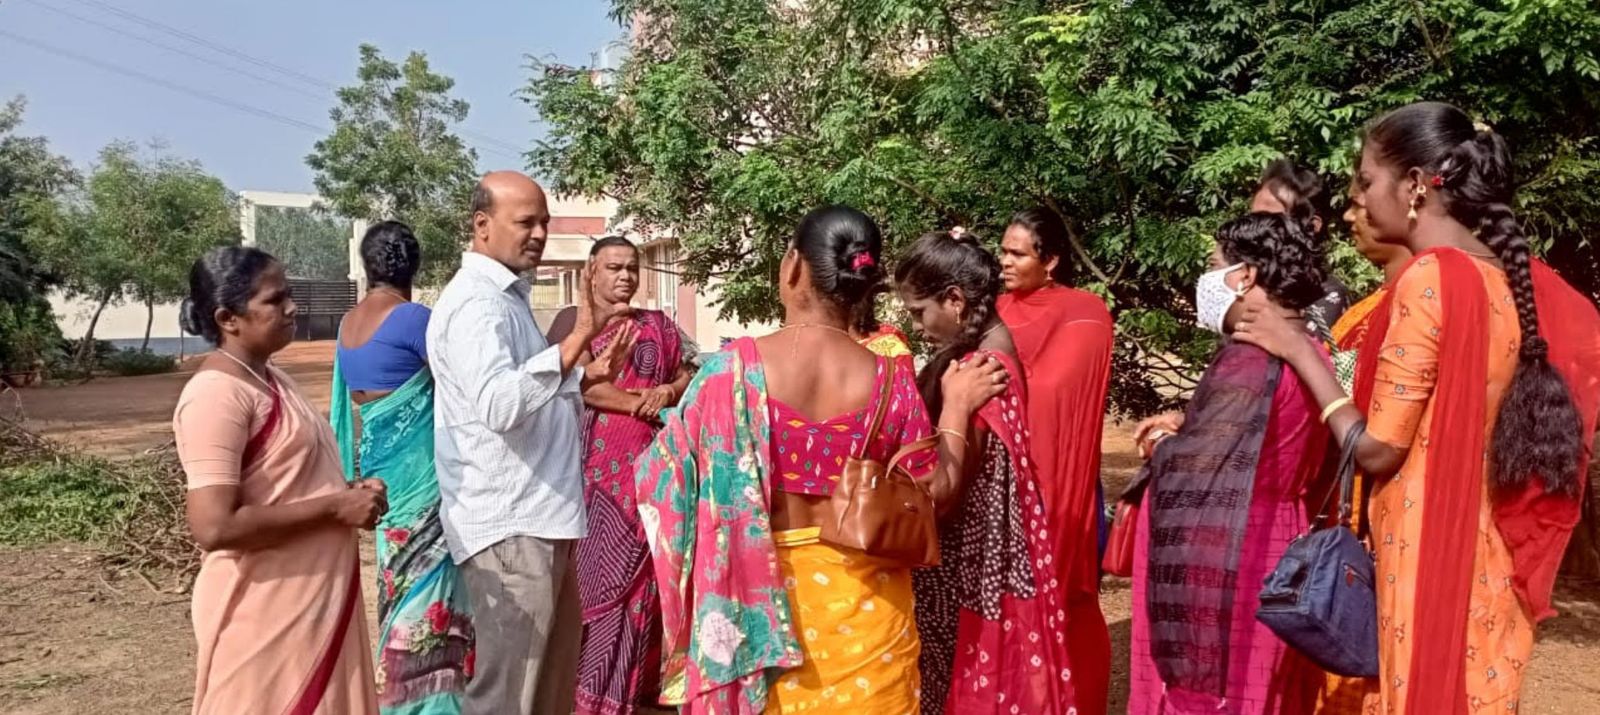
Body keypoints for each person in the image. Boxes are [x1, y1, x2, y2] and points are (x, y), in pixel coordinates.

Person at [1234, 102, 1600, 715]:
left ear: (1412, 187)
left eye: (1365, 180)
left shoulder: (1429, 280)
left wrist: (1299, 348)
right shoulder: (1506, 278)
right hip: (1487, 552)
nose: (1358, 198)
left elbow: (1378, 448)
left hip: (1426, 546)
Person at [634, 205, 1008, 713]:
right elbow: (935, 494)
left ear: (792, 267)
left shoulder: (729, 374)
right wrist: (958, 411)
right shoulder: (891, 381)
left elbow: (662, 478)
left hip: (756, 633)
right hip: (870, 633)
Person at [427, 171, 635, 715]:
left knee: (545, 690)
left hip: (540, 518)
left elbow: (516, 391)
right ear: (481, 225)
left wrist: (581, 377)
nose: (539, 233)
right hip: (510, 524)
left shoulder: (506, 298)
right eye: (526, 222)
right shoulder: (478, 304)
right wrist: (574, 344)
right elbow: (498, 405)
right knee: (508, 696)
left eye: (543, 221)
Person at [1128, 212, 1335, 714]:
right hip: (1278, 536)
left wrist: (1160, 444)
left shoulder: (1248, 357)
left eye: (1215, 264)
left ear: (1245, 275)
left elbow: (1204, 470)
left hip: (1232, 552)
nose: (1209, 278)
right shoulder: (1311, 349)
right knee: (1262, 693)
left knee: (1214, 692)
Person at [174, 246, 382, 715]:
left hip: (311, 605)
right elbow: (212, 527)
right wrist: (332, 509)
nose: (292, 307)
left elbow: (288, 482)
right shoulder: (217, 395)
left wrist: (349, 493)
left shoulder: (272, 380)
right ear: (229, 318)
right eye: (275, 299)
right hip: (264, 613)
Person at [895, 230, 1074, 714]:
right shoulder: (975, 354)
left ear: (954, 300)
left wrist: (952, 407)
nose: (916, 325)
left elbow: (947, 492)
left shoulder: (981, 372)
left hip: (959, 578)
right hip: (960, 572)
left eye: (918, 311)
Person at [546, 236, 697, 715]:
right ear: (593, 269)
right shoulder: (574, 324)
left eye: (632, 268)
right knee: (590, 585)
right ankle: (580, 695)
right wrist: (639, 403)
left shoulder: (658, 324)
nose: (626, 277)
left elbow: (690, 371)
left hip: (650, 476)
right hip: (593, 478)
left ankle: (629, 695)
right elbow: (579, 386)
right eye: (615, 267)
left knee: (645, 584)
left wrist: (669, 391)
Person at [329, 221, 471, 714]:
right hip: (423, 477)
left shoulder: (348, 324)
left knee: (398, 584)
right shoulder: (415, 321)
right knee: (430, 590)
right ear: (414, 265)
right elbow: (462, 380)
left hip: (381, 475)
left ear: (367, 266)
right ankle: (428, 704)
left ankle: (402, 697)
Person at [995, 206, 1113, 713]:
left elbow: (1053, 395)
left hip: (1057, 482)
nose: (1004, 260)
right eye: (1002, 250)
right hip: (997, 477)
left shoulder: (1083, 310)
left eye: (1017, 253)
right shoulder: (995, 307)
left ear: (1052, 260)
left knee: (1066, 601)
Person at [1251, 158, 1353, 338]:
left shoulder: (1327, 296)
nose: (1254, 231)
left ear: (1312, 226)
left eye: (1269, 221)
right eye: (1252, 220)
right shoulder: (1248, 285)